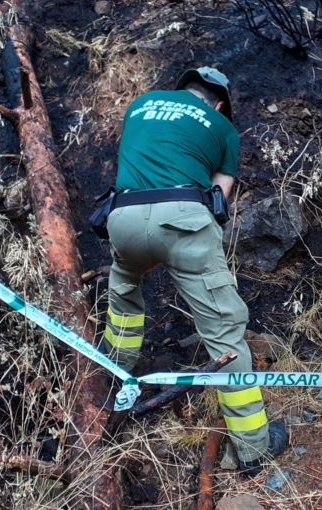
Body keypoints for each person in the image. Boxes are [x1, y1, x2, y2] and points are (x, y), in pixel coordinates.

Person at [103, 66, 287, 475]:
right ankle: (253, 449)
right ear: (219, 103)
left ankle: (114, 375)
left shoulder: (140, 105)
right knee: (225, 331)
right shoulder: (223, 127)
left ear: (182, 90)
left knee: (124, 295)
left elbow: (139, 159)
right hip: (184, 217)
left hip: (124, 217)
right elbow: (218, 198)